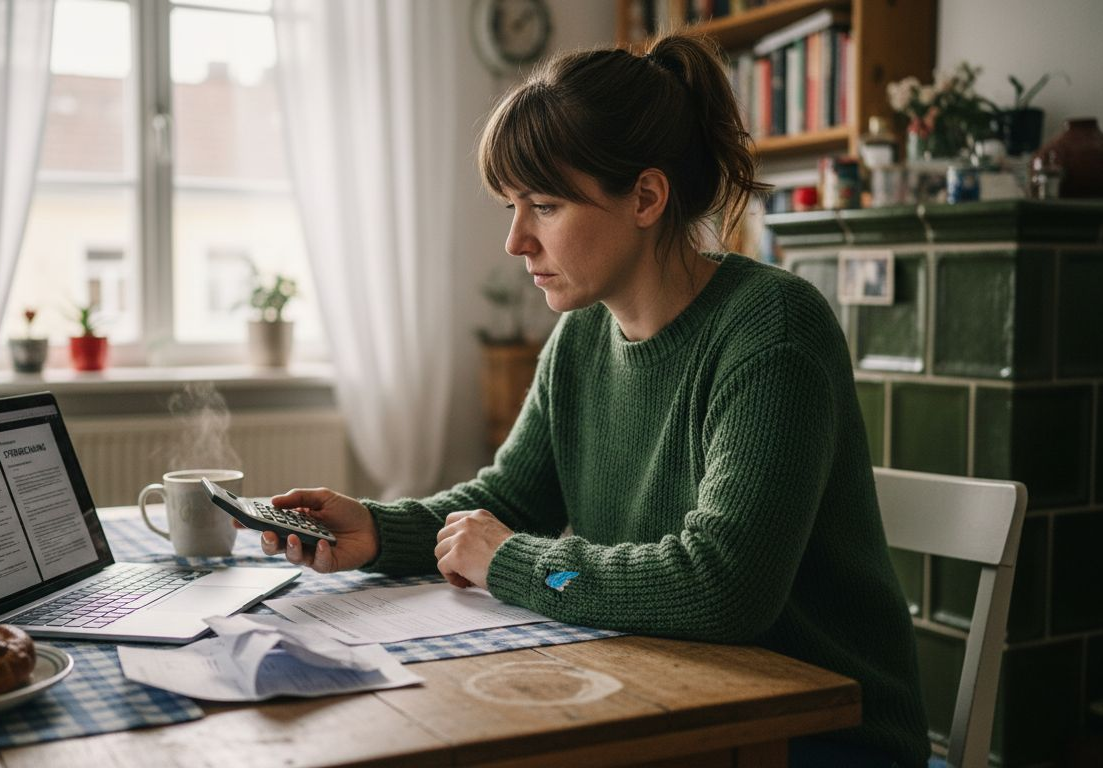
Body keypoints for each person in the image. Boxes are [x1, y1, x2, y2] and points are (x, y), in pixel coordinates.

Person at [255, 34, 928, 768]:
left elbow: (723, 587)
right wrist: (378, 532)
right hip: (670, 700)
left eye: (543, 205)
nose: (516, 240)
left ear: (645, 197)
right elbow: (508, 500)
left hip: (820, 735)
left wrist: (512, 564)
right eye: (513, 206)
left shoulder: (773, 331)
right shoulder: (581, 338)